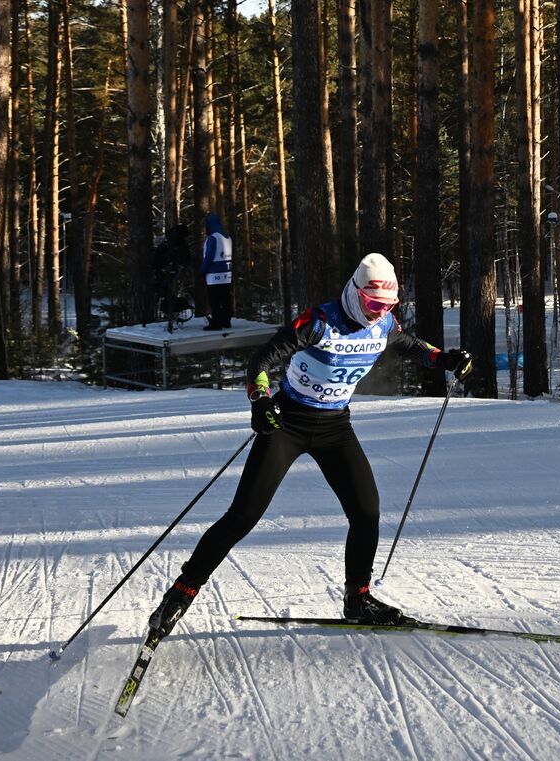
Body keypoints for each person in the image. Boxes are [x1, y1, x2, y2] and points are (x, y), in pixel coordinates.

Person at [147, 253, 473, 637]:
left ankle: (359, 599)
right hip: (288, 423)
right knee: (243, 515)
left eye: (386, 307)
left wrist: (442, 358)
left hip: (335, 426)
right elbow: (263, 360)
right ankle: (179, 595)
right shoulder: (320, 321)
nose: (377, 314)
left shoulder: (383, 324)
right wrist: (261, 400)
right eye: (372, 304)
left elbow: (409, 345)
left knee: (366, 512)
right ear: (355, 293)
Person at [151, 223, 191, 322]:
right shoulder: (170, 245)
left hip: (168, 274)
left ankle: (169, 314)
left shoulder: (172, 244)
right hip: (166, 275)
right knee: (165, 294)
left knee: (166, 294)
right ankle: (166, 314)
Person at [200, 212, 234, 330]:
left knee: (214, 299)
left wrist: (202, 271)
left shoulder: (213, 238)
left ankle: (216, 323)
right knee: (225, 297)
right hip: (226, 273)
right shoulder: (227, 237)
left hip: (214, 274)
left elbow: (209, 256)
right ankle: (226, 320)